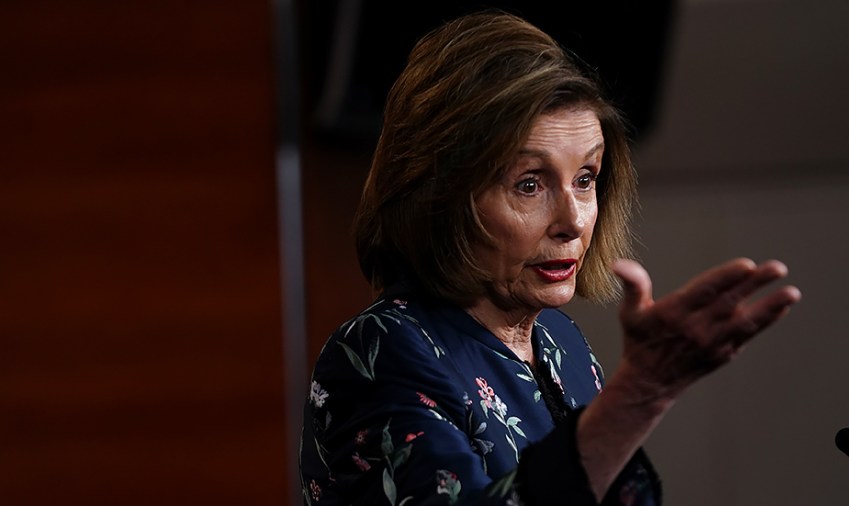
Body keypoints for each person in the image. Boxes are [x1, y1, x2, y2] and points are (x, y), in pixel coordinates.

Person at [299, 10, 801, 506]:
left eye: (585, 178)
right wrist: (641, 392)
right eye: (529, 184)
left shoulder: (562, 343)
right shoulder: (381, 350)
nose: (574, 220)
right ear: (439, 198)